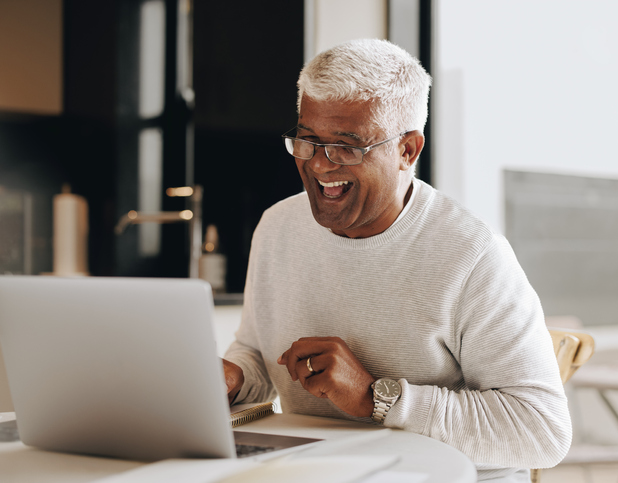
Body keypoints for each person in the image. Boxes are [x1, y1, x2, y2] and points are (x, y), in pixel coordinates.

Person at [222, 38, 571, 482]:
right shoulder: (277, 227)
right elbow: (258, 354)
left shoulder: (472, 254)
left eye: (347, 146)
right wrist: (234, 377)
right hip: (320, 470)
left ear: (408, 150)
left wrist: (376, 397)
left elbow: (540, 431)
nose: (321, 166)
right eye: (308, 142)